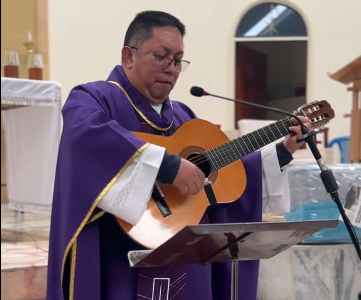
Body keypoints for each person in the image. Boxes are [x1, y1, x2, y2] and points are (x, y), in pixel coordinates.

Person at [46, 10, 312, 300]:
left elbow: (225, 175)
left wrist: (283, 151)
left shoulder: (184, 117)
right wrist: (168, 166)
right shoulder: (94, 98)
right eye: (161, 56)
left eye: (178, 60)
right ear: (129, 56)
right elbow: (89, 137)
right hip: (120, 258)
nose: (171, 68)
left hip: (186, 262)